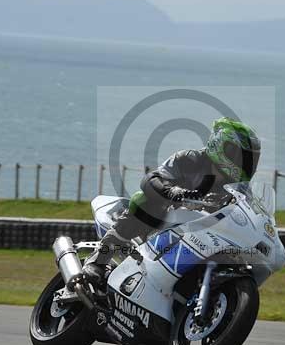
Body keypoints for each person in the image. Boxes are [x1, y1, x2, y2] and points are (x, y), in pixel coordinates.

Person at [81, 117, 261, 285]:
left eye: (249, 159)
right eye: (239, 155)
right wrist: (173, 191)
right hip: (162, 225)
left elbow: (250, 214)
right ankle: (98, 259)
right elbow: (151, 179)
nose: (244, 164)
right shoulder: (188, 159)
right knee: (143, 200)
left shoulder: (242, 189)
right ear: (219, 144)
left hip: (202, 238)